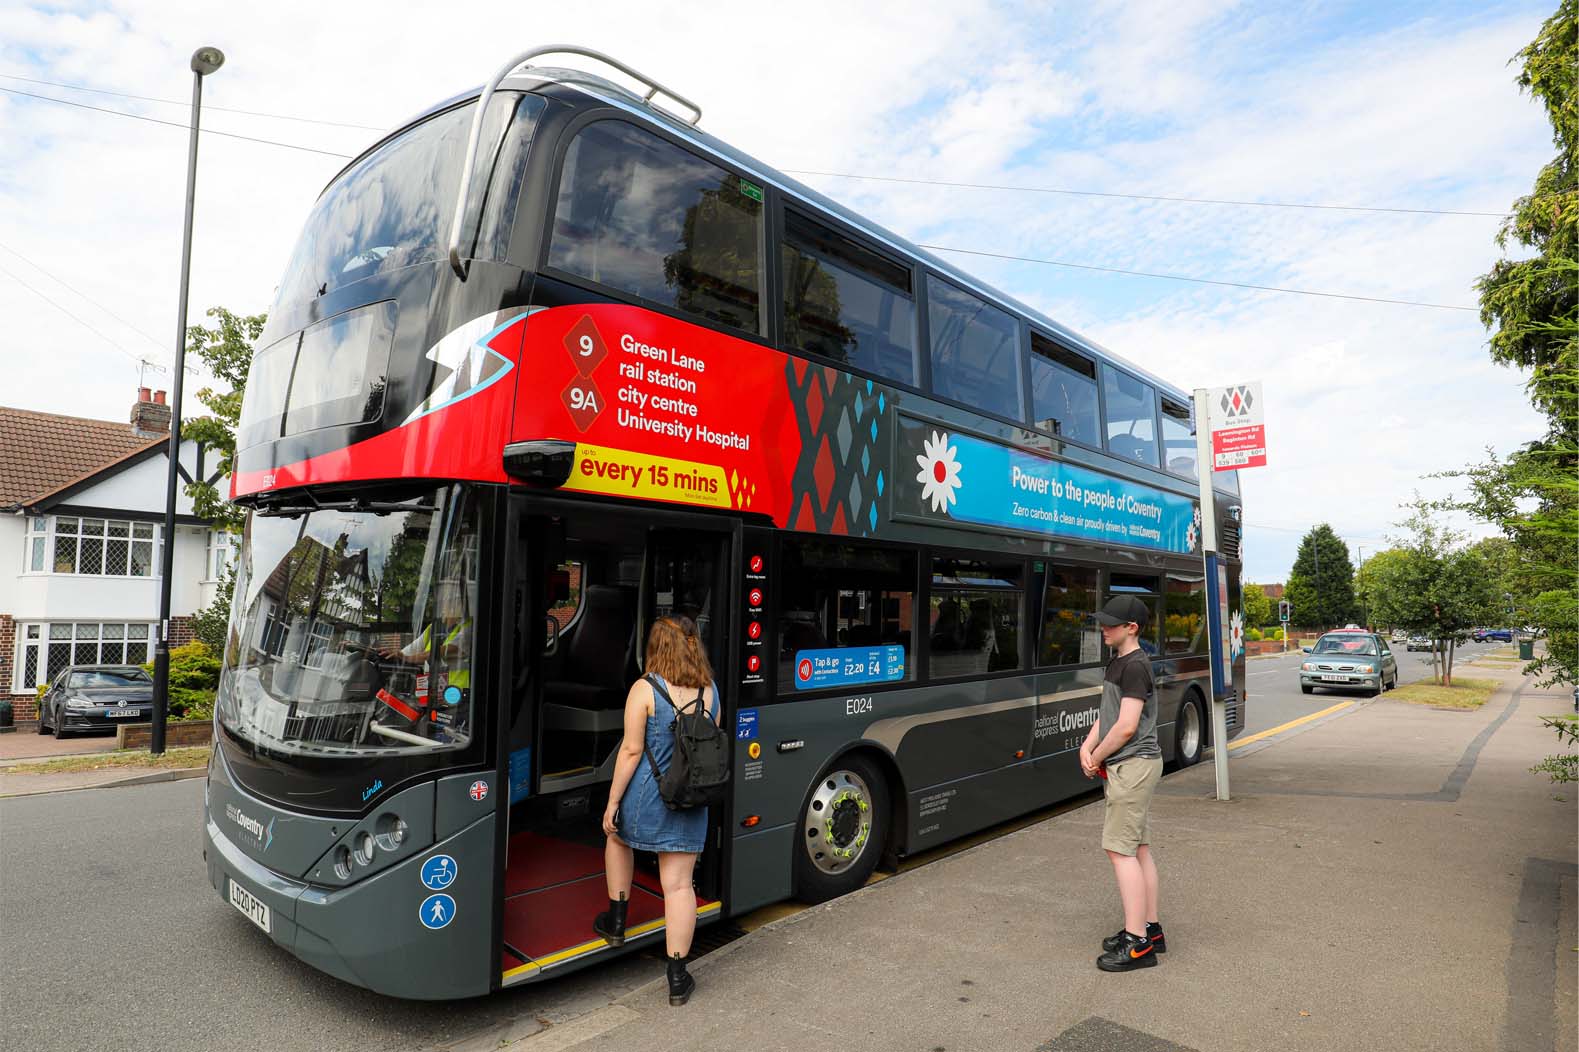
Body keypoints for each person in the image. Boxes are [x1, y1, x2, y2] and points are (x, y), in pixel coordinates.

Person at [591, 615, 718, 1006]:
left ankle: (616, 921)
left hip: (647, 793)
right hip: (691, 797)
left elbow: (630, 751)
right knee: (679, 886)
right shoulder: (710, 690)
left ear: (656, 647)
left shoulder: (644, 690)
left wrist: (612, 802)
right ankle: (677, 978)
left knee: (616, 837)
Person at [1079, 595, 1166, 972]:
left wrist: (1097, 757)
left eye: (1111, 624)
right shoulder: (1120, 661)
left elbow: (1128, 726)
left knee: (1120, 851)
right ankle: (1149, 929)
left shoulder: (1135, 666)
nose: (1104, 629)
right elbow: (1110, 714)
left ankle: (1137, 945)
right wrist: (1088, 743)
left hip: (1132, 765)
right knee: (1138, 848)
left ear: (1132, 628)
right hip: (1133, 764)